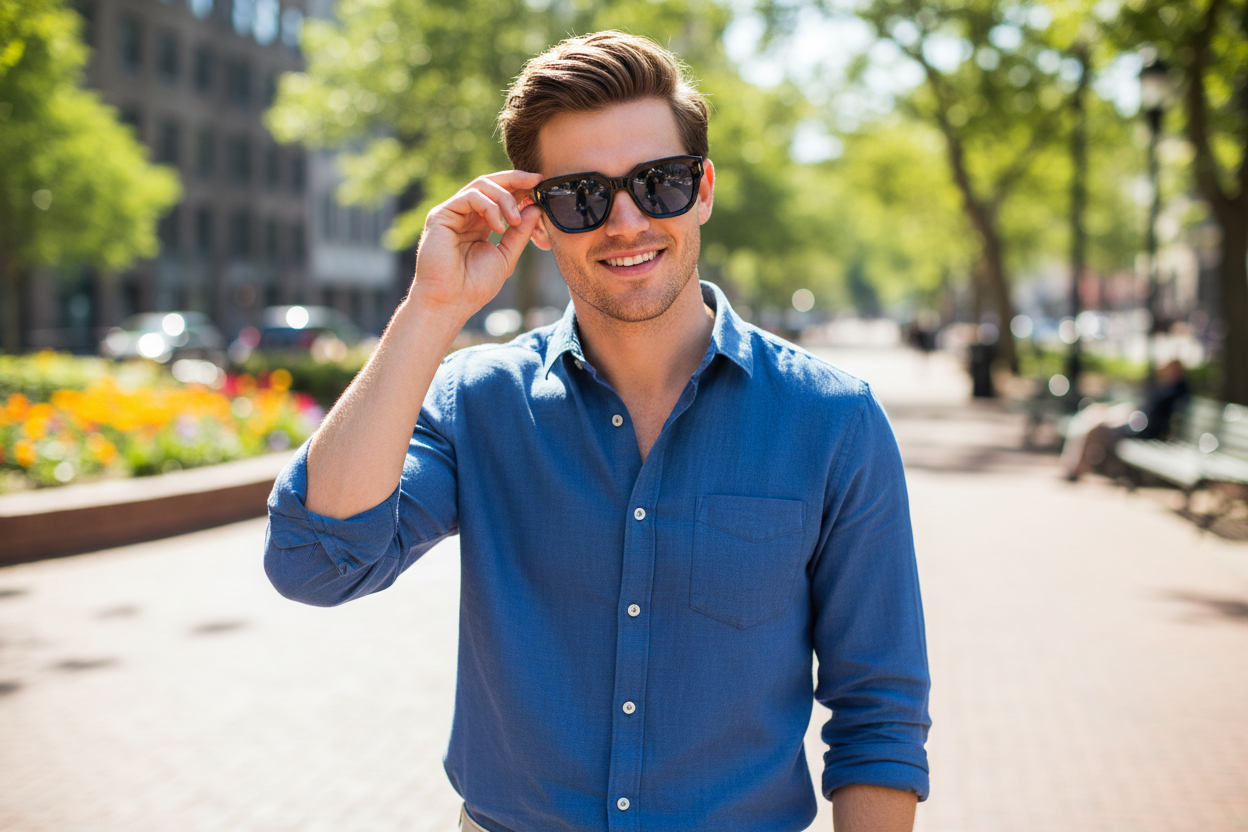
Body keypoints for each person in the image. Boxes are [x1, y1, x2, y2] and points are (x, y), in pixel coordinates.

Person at [265, 31, 930, 832]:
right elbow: (317, 562)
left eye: (660, 183)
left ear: (704, 189)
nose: (626, 222)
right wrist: (432, 309)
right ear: (537, 221)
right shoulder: (479, 403)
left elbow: (879, 715)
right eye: (581, 195)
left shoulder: (834, 419)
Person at [1060, 359, 1190, 481]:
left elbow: (1155, 417)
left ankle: (1075, 470)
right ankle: (1072, 467)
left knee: (1095, 429)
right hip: (1137, 421)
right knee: (1092, 417)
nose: (1164, 371)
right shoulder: (1166, 387)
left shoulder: (1175, 390)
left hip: (1141, 429)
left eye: (1169, 368)